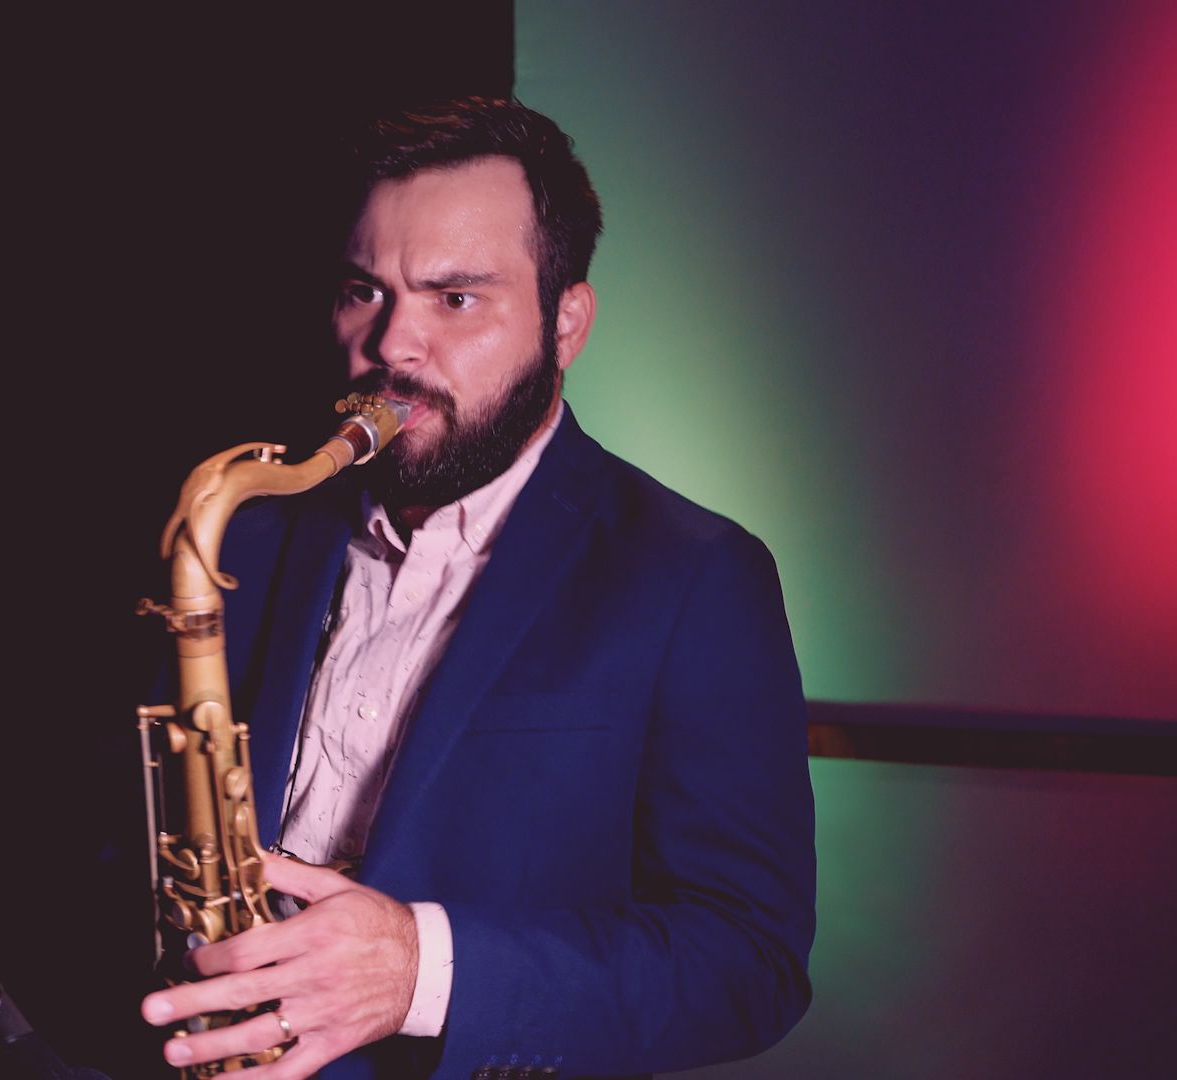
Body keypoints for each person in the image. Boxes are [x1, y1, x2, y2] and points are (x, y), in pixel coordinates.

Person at [139, 97, 815, 1079]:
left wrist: (424, 971)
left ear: (567, 321)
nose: (394, 347)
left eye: (456, 299)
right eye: (365, 292)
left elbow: (748, 964)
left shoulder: (695, 576)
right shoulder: (249, 533)